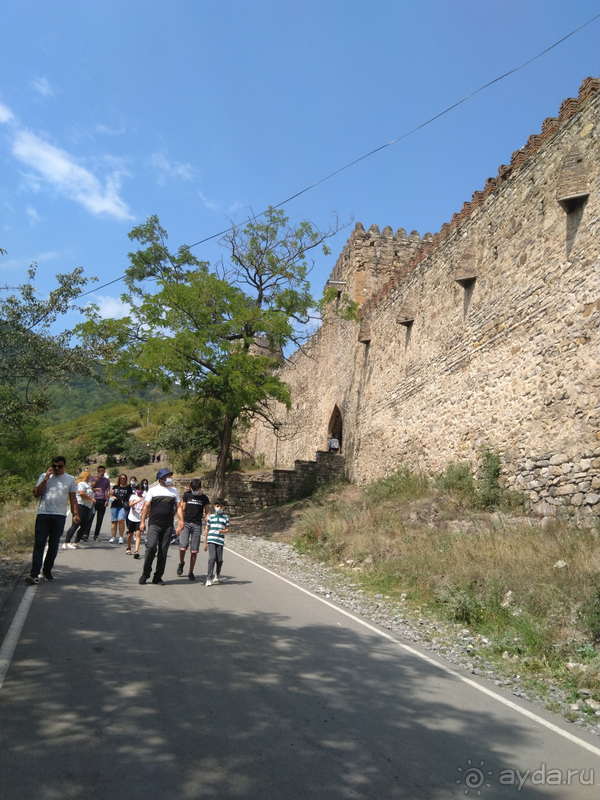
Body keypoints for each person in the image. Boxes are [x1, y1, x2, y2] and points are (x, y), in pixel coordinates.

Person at [25, 457, 79, 585]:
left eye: (59, 466)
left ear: (64, 466)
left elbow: (73, 499)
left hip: (59, 516)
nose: (56, 469)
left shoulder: (70, 479)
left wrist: (75, 514)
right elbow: (36, 493)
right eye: (54, 466)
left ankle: (47, 570)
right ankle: (34, 574)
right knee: (39, 543)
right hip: (43, 514)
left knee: (53, 545)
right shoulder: (45, 476)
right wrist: (45, 479)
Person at [138, 468, 183, 586]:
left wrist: (181, 521)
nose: (170, 478)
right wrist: (142, 522)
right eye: (168, 476)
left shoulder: (174, 491)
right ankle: (145, 573)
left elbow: (178, 507)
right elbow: (146, 507)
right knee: (151, 547)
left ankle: (158, 577)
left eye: (170, 476)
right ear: (161, 478)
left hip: (168, 525)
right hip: (154, 524)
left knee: (163, 551)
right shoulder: (153, 491)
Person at [177, 478, 210, 581]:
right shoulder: (187, 495)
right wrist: (180, 522)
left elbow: (207, 511)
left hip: (197, 525)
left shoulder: (204, 498)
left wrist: (208, 517)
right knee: (183, 546)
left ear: (200, 488)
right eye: (193, 488)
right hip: (186, 523)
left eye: (196, 488)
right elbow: (182, 509)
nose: (194, 490)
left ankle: (191, 571)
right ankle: (181, 562)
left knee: (194, 550)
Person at [61, 469, 95, 549]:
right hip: (80, 506)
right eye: (89, 475)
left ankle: (76, 542)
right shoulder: (82, 483)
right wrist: (91, 498)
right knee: (76, 524)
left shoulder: (87, 484)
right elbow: (81, 493)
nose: (90, 477)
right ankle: (66, 542)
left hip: (87, 507)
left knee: (85, 525)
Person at [204, 499, 229, 586]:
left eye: (221, 506)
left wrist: (223, 531)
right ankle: (209, 578)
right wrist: (205, 542)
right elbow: (207, 528)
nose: (219, 508)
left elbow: (227, 529)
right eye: (217, 506)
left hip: (220, 541)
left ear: (224, 507)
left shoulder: (225, 518)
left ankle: (217, 574)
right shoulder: (211, 517)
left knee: (219, 560)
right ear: (214, 507)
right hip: (211, 540)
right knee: (212, 558)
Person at [109, 473, 133, 544]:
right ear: (119, 479)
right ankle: (113, 537)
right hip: (114, 505)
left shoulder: (128, 487)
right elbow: (110, 494)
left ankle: (121, 537)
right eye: (121, 478)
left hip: (123, 506)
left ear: (125, 479)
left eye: (124, 478)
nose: (122, 479)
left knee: (120, 520)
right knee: (114, 521)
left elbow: (131, 496)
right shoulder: (115, 487)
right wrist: (112, 497)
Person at [90, 466, 110, 541]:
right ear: (97, 471)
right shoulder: (93, 478)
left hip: (102, 499)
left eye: (102, 471)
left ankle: (96, 535)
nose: (100, 472)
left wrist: (107, 500)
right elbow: (91, 487)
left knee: (100, 518)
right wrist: (97, 479)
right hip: (94, 499)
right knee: (90, 517)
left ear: (104, 471)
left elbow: (108, 490)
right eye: (99, 471)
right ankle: (86, 534)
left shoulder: (106, 480)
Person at [127, 482, 146, 558]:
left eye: (141, 490)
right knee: (130, 534)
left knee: (138, 534)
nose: (140, 491)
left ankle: (136, 551)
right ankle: (128, 547)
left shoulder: (145, 499)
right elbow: (130, 505)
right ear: (136, 490)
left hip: (139, 519)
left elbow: (146, 508)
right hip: (132, 518)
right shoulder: (133, 497)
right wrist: (138, 501)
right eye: (138, 489)